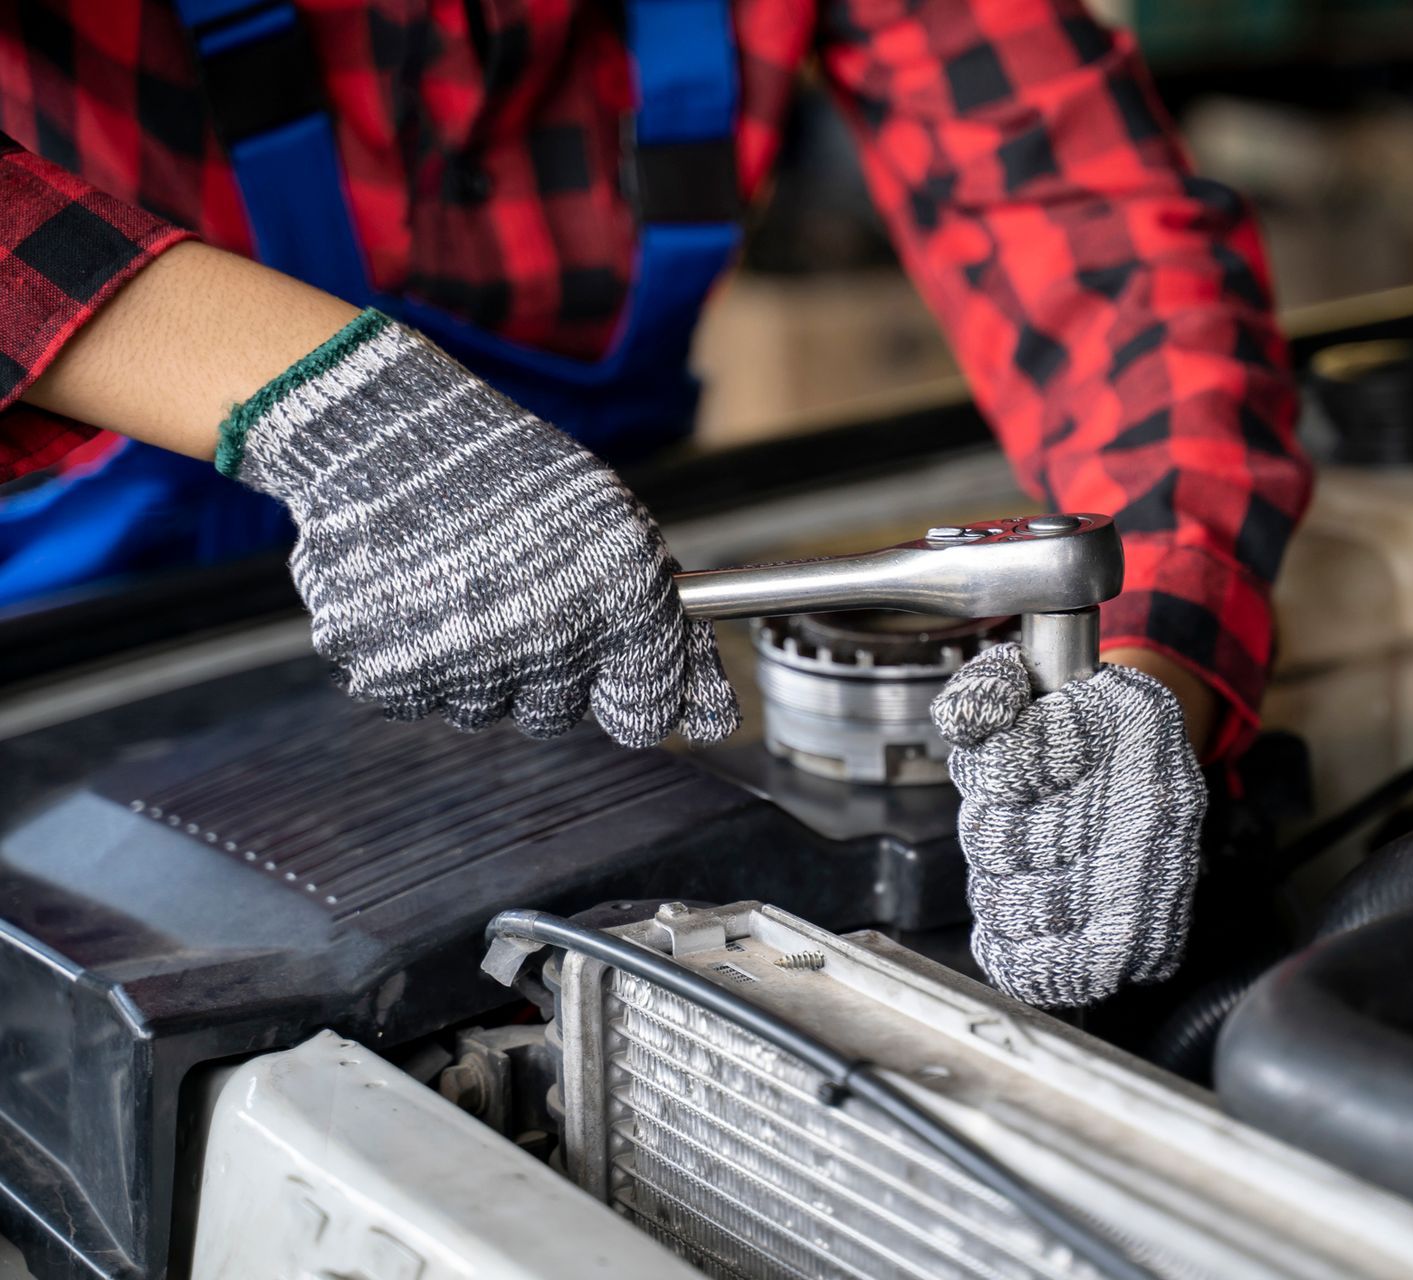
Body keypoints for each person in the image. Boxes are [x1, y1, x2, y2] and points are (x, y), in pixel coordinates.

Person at [0, 0, 1310, 1006]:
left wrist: (1153, 663)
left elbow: (1102, 230)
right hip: (54, 666)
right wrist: (315, 403)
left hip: (572, 678)